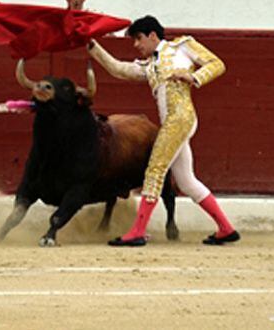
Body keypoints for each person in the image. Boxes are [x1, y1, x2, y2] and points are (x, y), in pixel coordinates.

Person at [87, 15, 239, 247]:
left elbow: (217, 64)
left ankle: (138, 231)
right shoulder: (148, 66)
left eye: (138, 39)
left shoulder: (182, 46)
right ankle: (226, 229)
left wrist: (194, 76)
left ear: (152, 35)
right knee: (187, 181)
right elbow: (117, 69)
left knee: (155, 170)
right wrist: (90, 43)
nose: (136, 45)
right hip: (173, 121)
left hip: (179, 118)